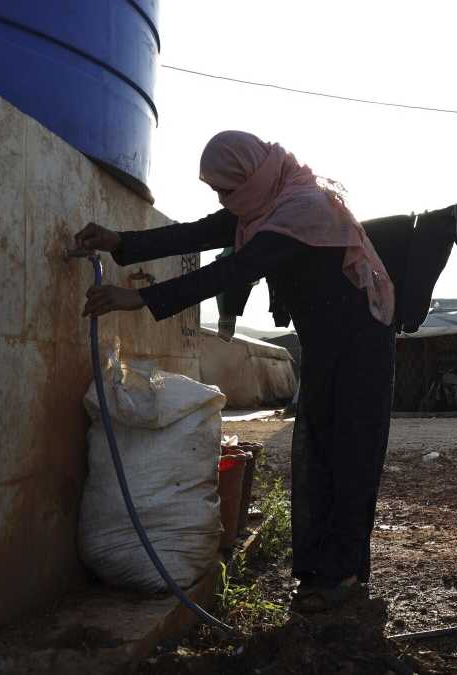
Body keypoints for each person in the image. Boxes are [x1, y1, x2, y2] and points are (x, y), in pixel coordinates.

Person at [74, 130, 396, 613]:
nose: (225, 202)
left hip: (361, 346)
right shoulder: (265, 203)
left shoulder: (300, 212)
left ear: (250, 176)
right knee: (319, 449)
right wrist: (121, 242)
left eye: (227, 190)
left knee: (348, 453)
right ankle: (324, 571)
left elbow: (229, 272)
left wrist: (138, 298)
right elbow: (199, 232)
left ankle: (342, 574)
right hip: (329, 344)